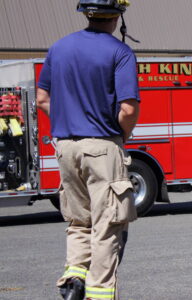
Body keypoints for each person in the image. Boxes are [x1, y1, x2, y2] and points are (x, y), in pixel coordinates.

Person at [36, 1, 139, 299]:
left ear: (86, 12)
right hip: (103, 145)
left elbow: (43, 98)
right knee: (107, 225)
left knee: (79, 219)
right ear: (118, 15)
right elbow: (128, 108)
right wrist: (120, 136)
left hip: (65, 147)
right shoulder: (120, 52)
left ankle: (73, 280)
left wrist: (68, 121)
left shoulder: (59, 48)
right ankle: (100, 294)